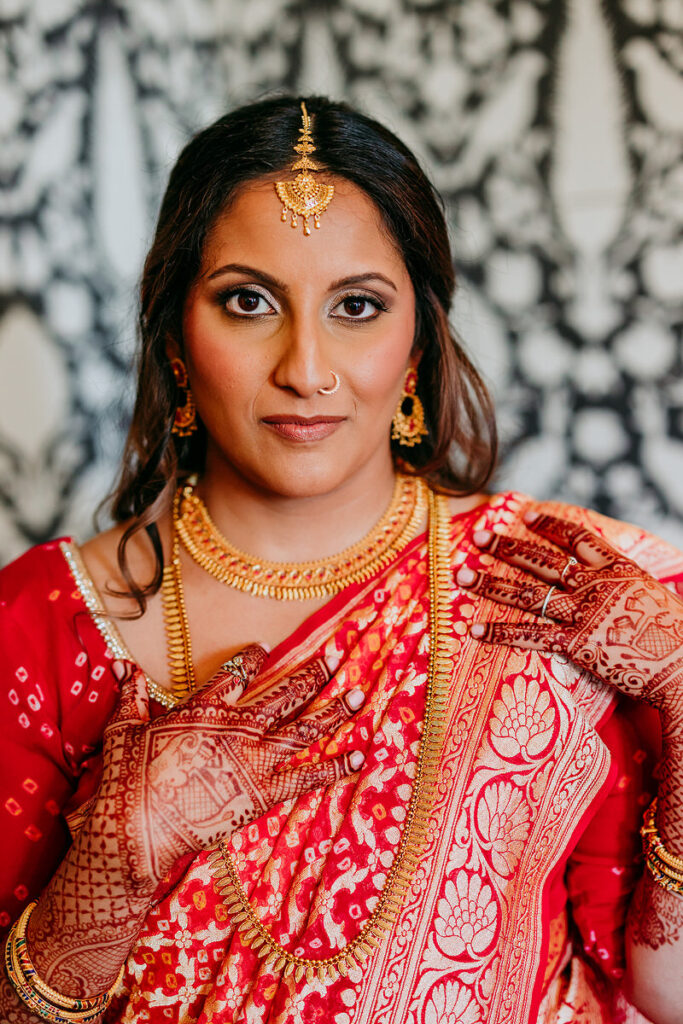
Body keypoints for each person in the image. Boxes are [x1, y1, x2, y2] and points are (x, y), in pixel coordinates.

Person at [0, 95, 681, 1024]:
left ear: (414, 349)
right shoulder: (47, 623)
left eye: (356, 307)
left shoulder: (556, 586)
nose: (307, 367)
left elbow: (667, 992)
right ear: (174, 343)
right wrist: (109, 875)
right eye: (249, 302)